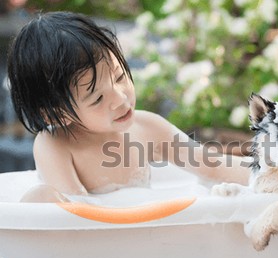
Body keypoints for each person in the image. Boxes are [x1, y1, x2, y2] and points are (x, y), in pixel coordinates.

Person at [7, 11, 250, 202]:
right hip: (91, 245)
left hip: (138, 232)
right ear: (56, 113)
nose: (121, 100)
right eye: (98, 99)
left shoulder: (147, 128)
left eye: (120, 77)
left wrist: (272, 173)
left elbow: (213, 166)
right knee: (42, 199)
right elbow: (77, 216)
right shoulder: (55, 145)